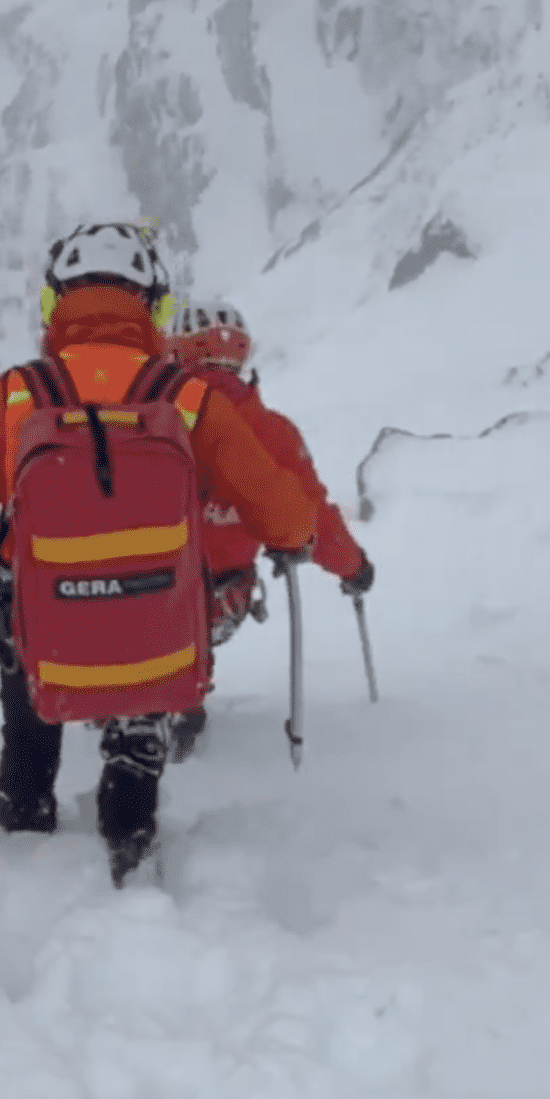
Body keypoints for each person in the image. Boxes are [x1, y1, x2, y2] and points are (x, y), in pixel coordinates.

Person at [0, 223, 317, 885]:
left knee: (25, 663)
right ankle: (129, 812)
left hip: (45, 632)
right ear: (155, 304)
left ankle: (25, 809)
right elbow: (283, 516)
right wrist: (297, 537)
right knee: (145, 668)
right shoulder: (190, 397)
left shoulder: (14, 395)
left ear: (54, 304)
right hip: (155, 634)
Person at [166, 303, 375, 760]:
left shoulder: (148, 420)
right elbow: (313, 517)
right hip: (225, 597)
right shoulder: (274, 433)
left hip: (141, 593)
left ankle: (158, 699)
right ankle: (184, 695)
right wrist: (354, 568)